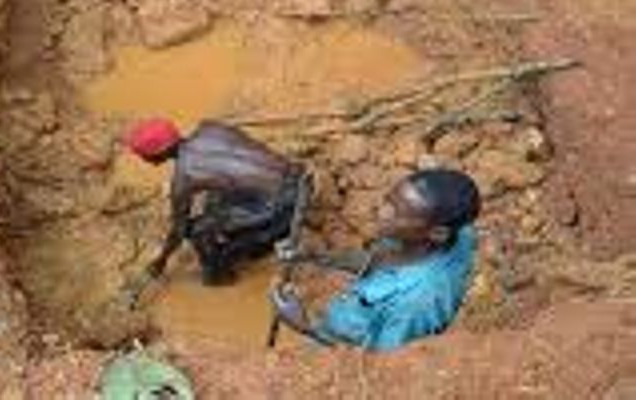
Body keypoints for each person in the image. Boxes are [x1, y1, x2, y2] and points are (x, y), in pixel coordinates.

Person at [270, 168, 480, 351]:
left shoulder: (416, 305)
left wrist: (305, 327)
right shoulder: (433, 234)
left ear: (437, 234)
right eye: (388, 201)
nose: (381, 213)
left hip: (340, 355)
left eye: (396, 213)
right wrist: (314, 256)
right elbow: (375, 262)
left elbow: (384, 366)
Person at [121, 118, 306, 304]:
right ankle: (259, 241)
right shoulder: (209, 127)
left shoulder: (185, 176)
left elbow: (178, 229)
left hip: (286, 203)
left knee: (197, 232)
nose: (143, 159)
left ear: (157, 155)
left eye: (143, 155)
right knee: (215, 200)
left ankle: (220, 277)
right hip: (299, 176)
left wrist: (160, 261)